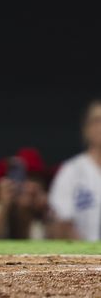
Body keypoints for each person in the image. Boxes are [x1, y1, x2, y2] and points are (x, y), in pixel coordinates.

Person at [48, 100, 101, 241]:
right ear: (86, 129)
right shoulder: (71, 171)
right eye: (96, 120)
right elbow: (62, 222)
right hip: (84, 256)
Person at [0, 148, 52, 239]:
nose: (31, 188)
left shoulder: (47, 213)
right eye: (25, 179)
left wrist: (46, 215)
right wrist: (4, 206)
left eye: (35, 180)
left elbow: (63, 247)